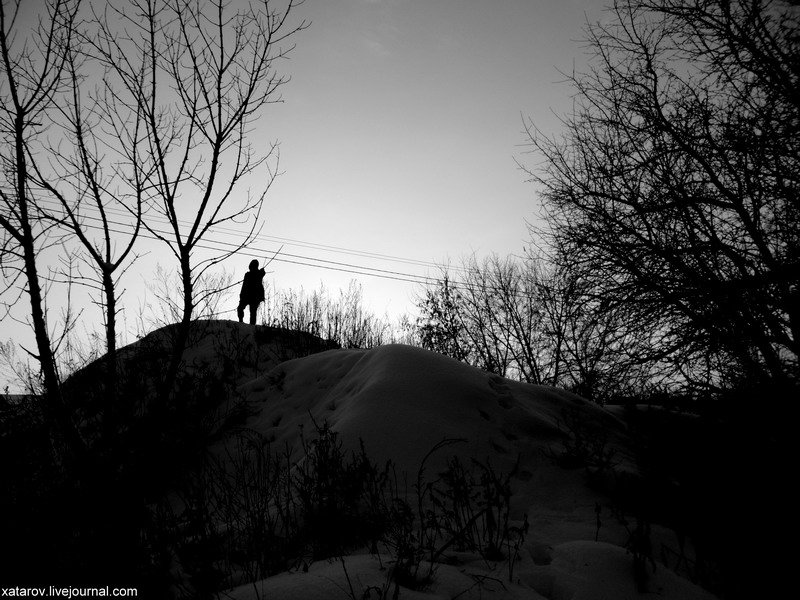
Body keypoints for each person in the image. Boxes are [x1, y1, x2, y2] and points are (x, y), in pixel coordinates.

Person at [237, 259, 266, 325]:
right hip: (247, 295)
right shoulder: (248, 275)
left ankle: (252, 326)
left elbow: (262, 274)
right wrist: (241, 295)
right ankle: (241, 321)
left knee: (252, 311)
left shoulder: (258, 274)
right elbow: (244, 286)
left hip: (254, 296)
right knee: (240, 308)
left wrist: (261, 272)